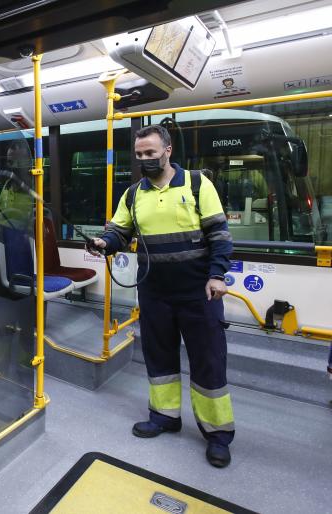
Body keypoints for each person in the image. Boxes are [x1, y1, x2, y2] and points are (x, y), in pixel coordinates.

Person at [90, 125, 235, 468]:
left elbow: (219, 234)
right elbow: (119, 233)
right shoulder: (132, 194)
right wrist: (103, 244)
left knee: (208, 360)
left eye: (150, 153)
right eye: (139, 155)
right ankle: (166, 417)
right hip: (154, 291)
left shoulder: (197, 184)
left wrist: (217, 275)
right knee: (159, 357)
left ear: (167, 151)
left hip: (198, 291)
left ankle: (217, 434)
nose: (144, 160)